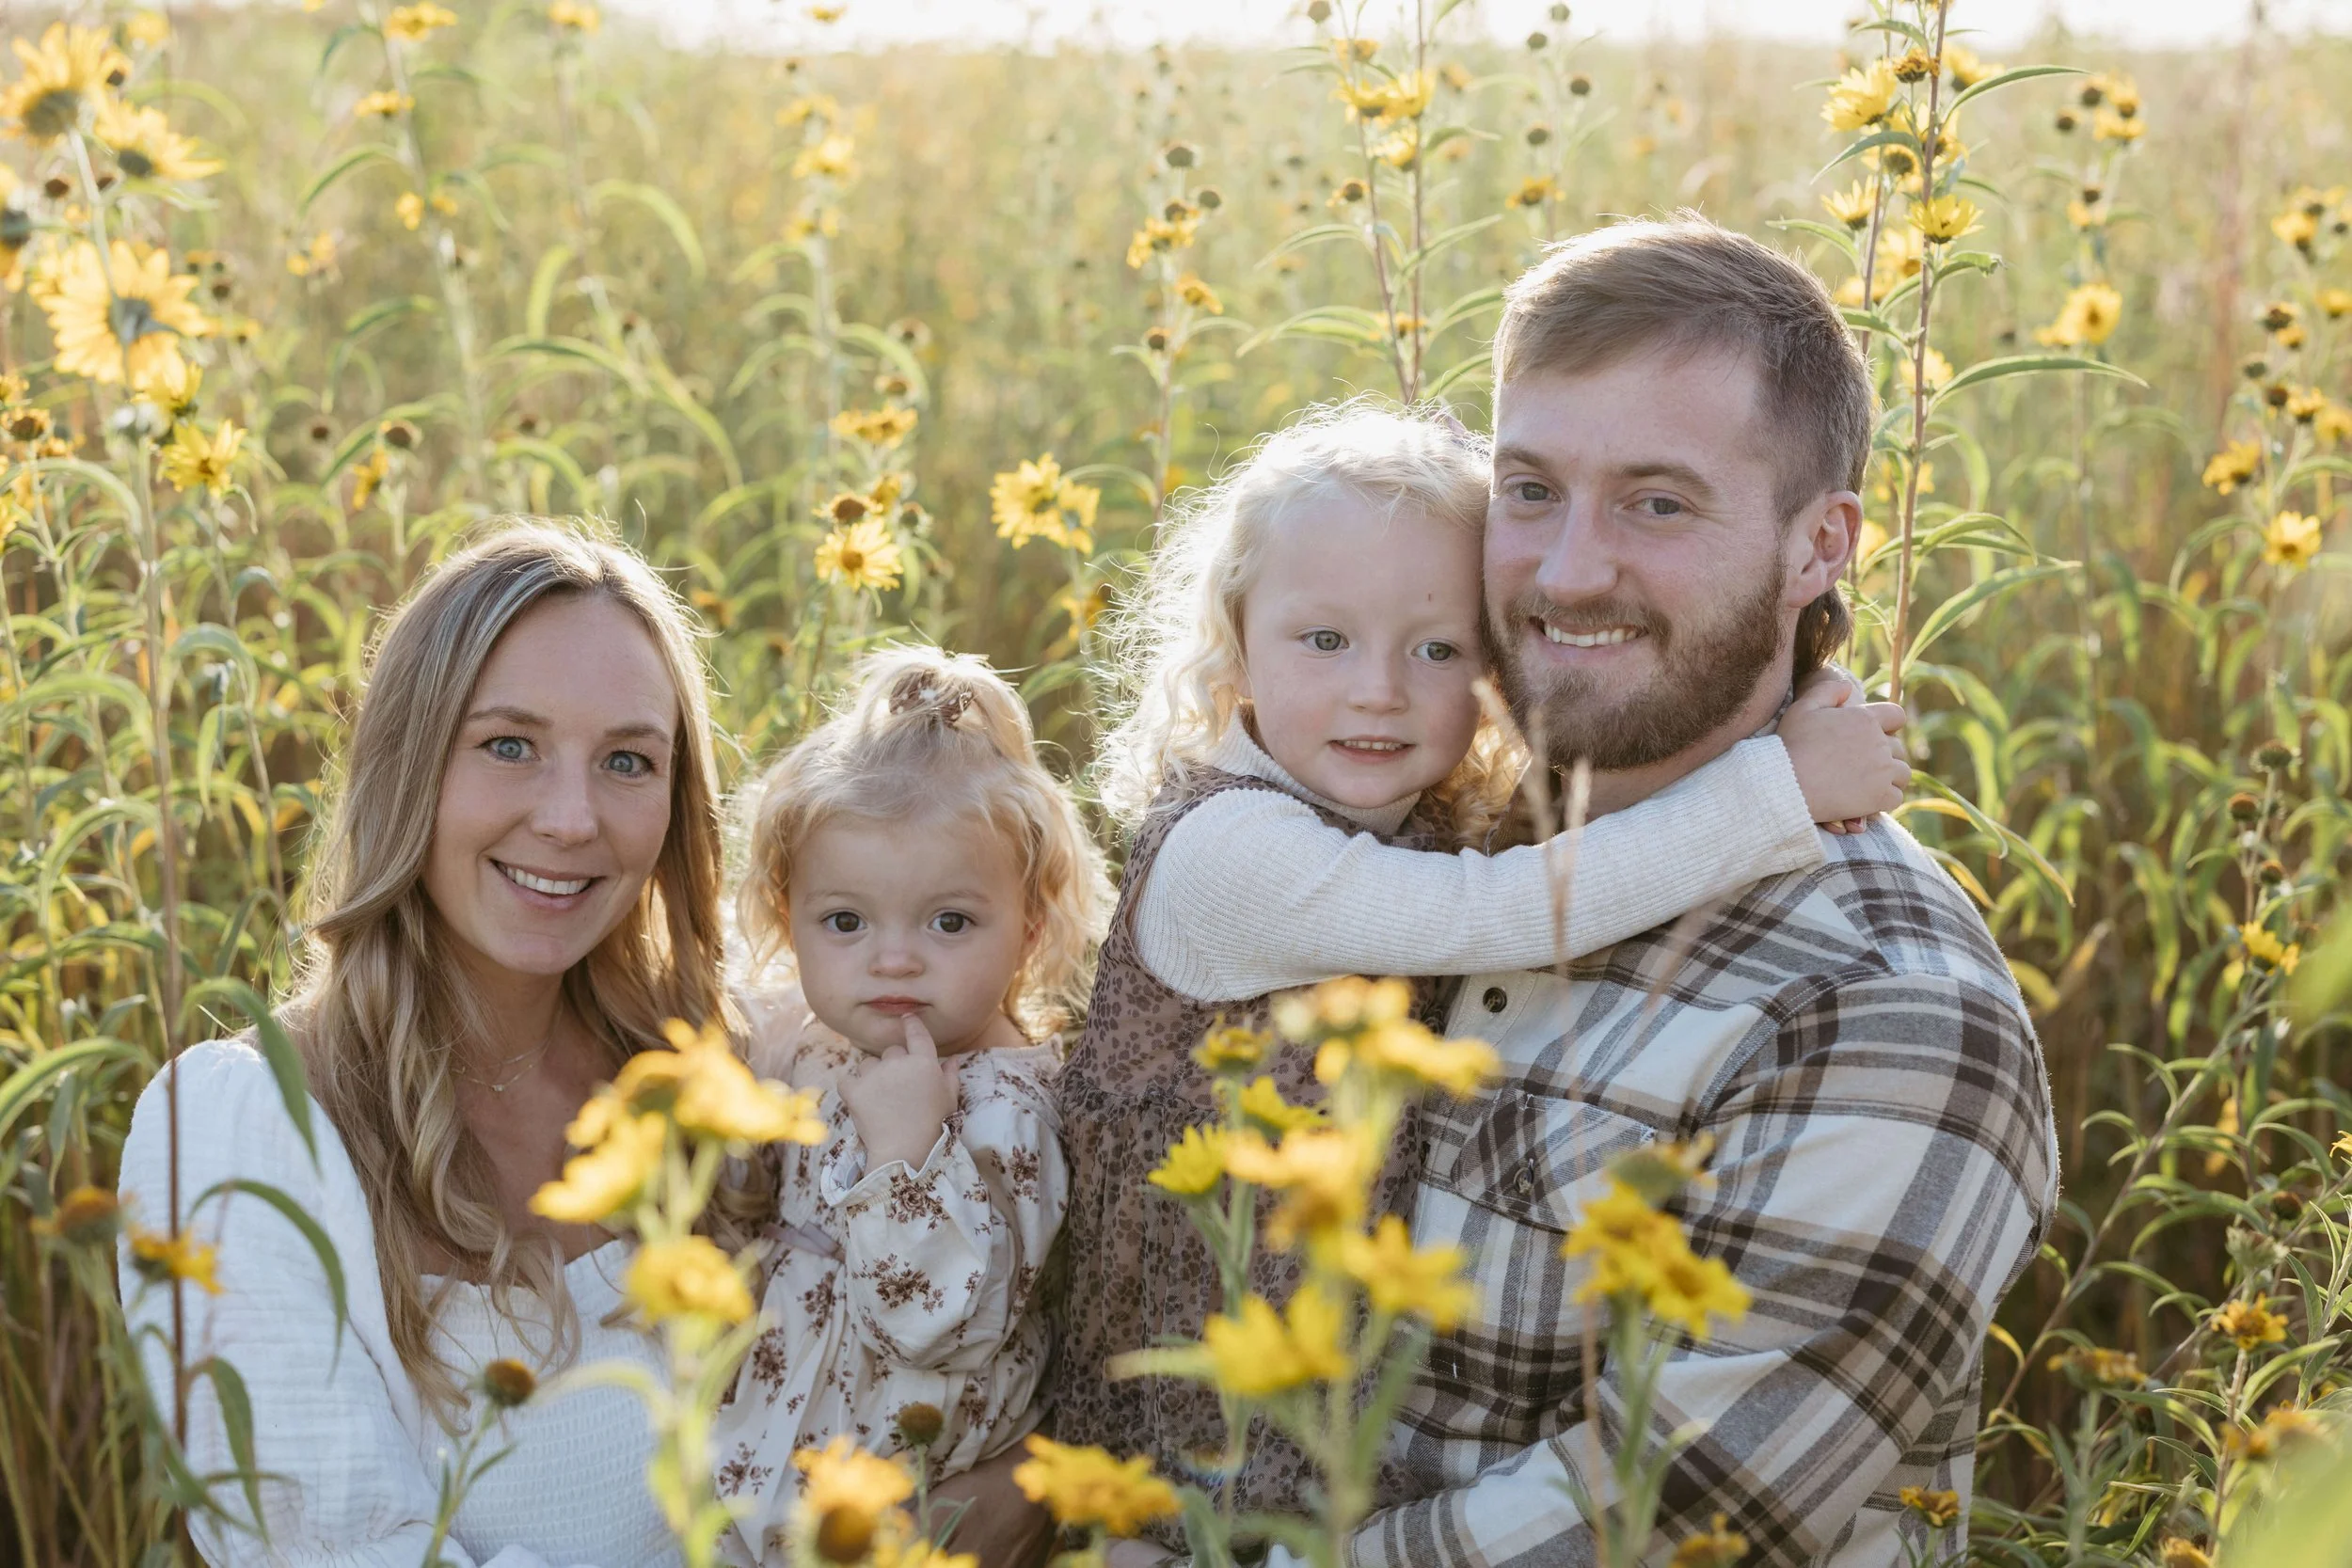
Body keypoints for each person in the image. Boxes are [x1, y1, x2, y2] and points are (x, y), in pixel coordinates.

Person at [1288, 218, 2059, 1567]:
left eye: (1658, 501)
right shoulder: (1399, 840)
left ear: (1820, 542)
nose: (1571, 569)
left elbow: (1645, 1524)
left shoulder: (1889, 1008)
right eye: (1530, 489)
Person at [1053, 401, 1913, 1556]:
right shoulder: (1228, 851)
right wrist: (1773, 787)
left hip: (1322, 1438)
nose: (1379, 690)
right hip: (1170, 1454)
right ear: (1234, 643)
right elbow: (1499, 914)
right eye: (1324, 640)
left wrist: (1785, 694)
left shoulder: (1407, 814)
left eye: (1438, 648)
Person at [116, 523, 754, 1567]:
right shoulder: (241, 1131)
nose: (570, 816)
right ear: (406, 758)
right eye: (509, 744)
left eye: (627, 760)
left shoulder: (716, 1070)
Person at [714, 647, 1110, 1560]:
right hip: (761, 1492)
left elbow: (937, 1320)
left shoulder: (1004, 1105)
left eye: (949, 921)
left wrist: (905, 1154)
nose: (892, 959)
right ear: (789, 913)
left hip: (905, 1516)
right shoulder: (819, 1037)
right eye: (844, 921)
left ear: (1030, 927)